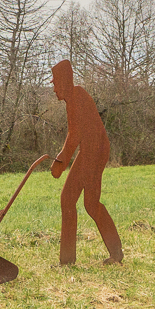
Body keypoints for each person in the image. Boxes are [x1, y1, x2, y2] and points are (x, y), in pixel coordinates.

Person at [50, 59, 123, 265]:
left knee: (71, 200)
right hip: (91, 151)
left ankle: (68, 260)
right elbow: (76, 135)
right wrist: (62, 160)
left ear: (65, 81)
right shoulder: (73, 99)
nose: (54, 88)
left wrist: (61, 162)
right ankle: (114, 253)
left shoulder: (77, 97)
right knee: (87, 203)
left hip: (94, 152)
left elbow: (75, 134)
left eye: (56, 83)